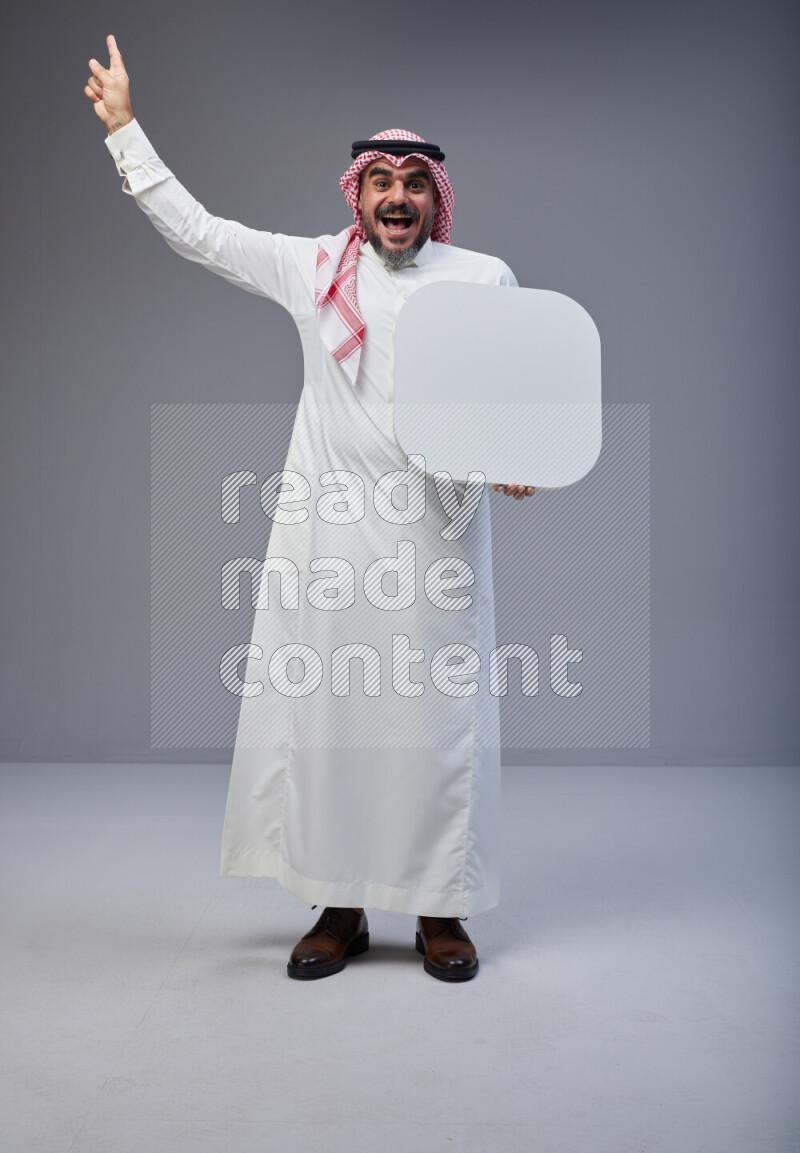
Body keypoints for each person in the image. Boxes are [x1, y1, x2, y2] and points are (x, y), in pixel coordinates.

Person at [85, 34, 536, 983]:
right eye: (383, 181)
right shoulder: (313, 268)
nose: (399, 197)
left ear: (436, 200)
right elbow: (199, 230)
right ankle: (339, 905)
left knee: (435, 719)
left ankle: (442, 911)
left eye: (416, 181)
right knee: (331, 717)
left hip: (438, 542)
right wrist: (126, 132)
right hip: (329, 538)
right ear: (359, 193)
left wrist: (515, 458)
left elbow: (513, 400)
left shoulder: (484, 279)